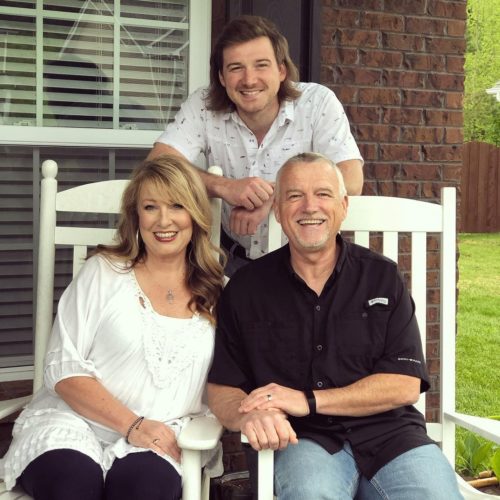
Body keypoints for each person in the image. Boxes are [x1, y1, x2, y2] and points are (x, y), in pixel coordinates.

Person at [207, 152, 463, 499]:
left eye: (323, 194)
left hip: (391, 435)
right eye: (295, 196)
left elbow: (403, 385)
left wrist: (308, 400)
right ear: (278, 211)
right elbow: (223, 388)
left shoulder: (381, 277)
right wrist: (247, 417)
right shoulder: (246, 288)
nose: (310, 207)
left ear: (343, 206)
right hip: (300, 439)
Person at [0, 155, 225, 500]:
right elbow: (63, 369)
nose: (164, 220)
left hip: (161, 436)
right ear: (136, 216)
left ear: (195, 214)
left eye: (177, 205)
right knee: (73, 486)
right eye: (151, 207)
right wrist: (132, 425)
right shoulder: (104, 272)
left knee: (143, 490)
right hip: (73, 424)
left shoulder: (220, 292)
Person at [147, 15, 364, 274]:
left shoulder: (317, 103)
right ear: (222, 76)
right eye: (236, 67)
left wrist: (274, 195)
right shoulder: (203, 106)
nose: (249, 80)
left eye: (261, 65)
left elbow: (351, 180)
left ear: (281, 70)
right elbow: (158, 164)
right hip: (232, 264)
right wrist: (224, 187)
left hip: (308, 262)